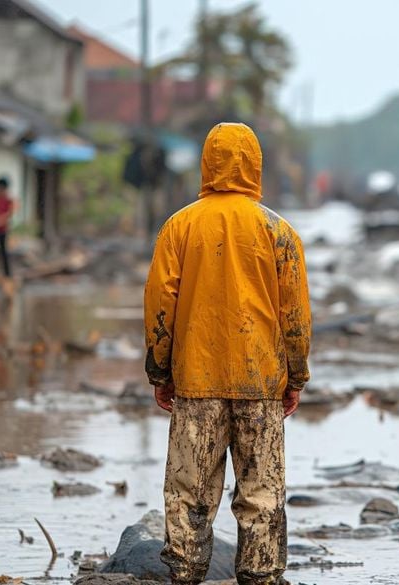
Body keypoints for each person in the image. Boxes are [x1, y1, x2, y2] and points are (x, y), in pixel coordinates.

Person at [144, 123, 311, 585]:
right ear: (255, 164)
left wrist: (160, 371)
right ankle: (260, 577)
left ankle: (185, 575)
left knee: (189, 492)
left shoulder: (179, 226)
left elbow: (161, 304)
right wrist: (295, 377)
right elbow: (295, 316)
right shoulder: (279, 231)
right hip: (261, 383)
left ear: (207, 163)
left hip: (196, 383)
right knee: (262, 492)